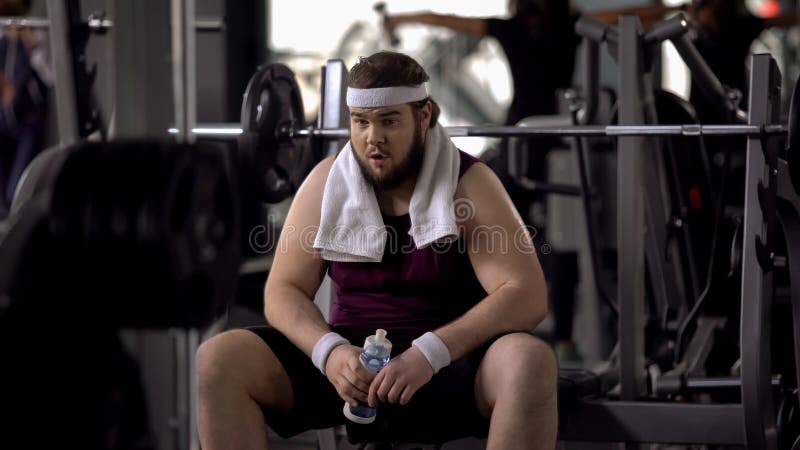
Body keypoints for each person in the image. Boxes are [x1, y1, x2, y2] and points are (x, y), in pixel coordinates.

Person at [196, 51, 556, 449]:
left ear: (425, 117)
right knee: (219, 359)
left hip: (446, 370)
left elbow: (526, 295)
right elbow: (282, 291)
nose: (373, 138)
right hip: (349, 371)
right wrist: (329, 353)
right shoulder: (325, 183)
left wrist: (429, 353)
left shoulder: (469, 185)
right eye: (361, 122)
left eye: (389, 121)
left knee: (529, 361)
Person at [0, 0, 51, 218]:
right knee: (3, 196)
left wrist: (33, 48)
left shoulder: (36, 33)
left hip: (29, 123)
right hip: (2, 123)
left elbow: (51, 76)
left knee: (17, 193)